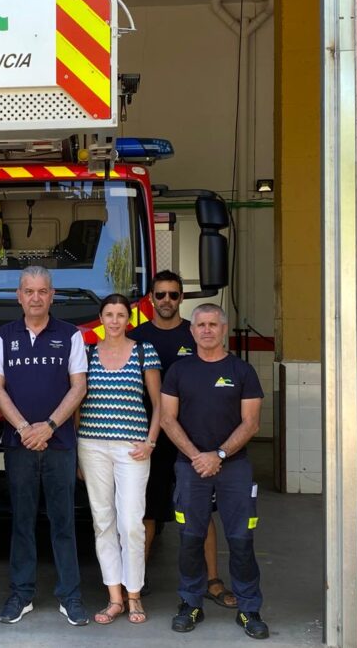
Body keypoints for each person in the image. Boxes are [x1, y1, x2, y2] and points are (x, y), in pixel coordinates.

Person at [160, 303, 269, 639]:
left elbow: (251, 423)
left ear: (224, 329)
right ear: (192, 332)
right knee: (190, 540)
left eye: (213, 324)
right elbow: (167, 418)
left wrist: (219, 454)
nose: (206, 330)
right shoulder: (179, 371)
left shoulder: (242, 371)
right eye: (200, 325)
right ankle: (191, 603)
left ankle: (249, 609)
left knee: (241, 540)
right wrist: (198, 456)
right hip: (191, 467)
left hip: (234, 468)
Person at [128, 271, 236, 608]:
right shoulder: (137, 337)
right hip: (149, 439)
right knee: (145, 512)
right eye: (160, 295)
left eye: (173, 295)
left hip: (195, 442)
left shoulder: (196, 332)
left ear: (181, 299)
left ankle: (212, 581)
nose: (166, 301)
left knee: (202, 512)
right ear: (151, 297)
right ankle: (136, 581)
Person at [0, 266, 89, 626]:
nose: (35, 297)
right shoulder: (3, 336)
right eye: (29, 291)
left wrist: (47, 426)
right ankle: (21, 594)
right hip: (19, 445)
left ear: (52, 295)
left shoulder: (70, 335)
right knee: (22, 521)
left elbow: (78, 387)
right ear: (19, 296)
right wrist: (22, 428)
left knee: (64, 522)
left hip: (60, 443)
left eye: (42, 291)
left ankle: (70, 595)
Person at [77, 293, 162, 625]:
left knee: (131, 523)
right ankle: (115, 598)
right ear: (101, 318)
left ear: (129, 319)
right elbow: (79, 405)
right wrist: (78, 458)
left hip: (133, 448)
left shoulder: (144, 351)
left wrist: (151, 442)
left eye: (120, 314)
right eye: (109, 314)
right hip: (92, 446)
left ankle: (134, 595)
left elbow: (158, 404)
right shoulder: (87, 354)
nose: (114, 320)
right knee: (103, 523)